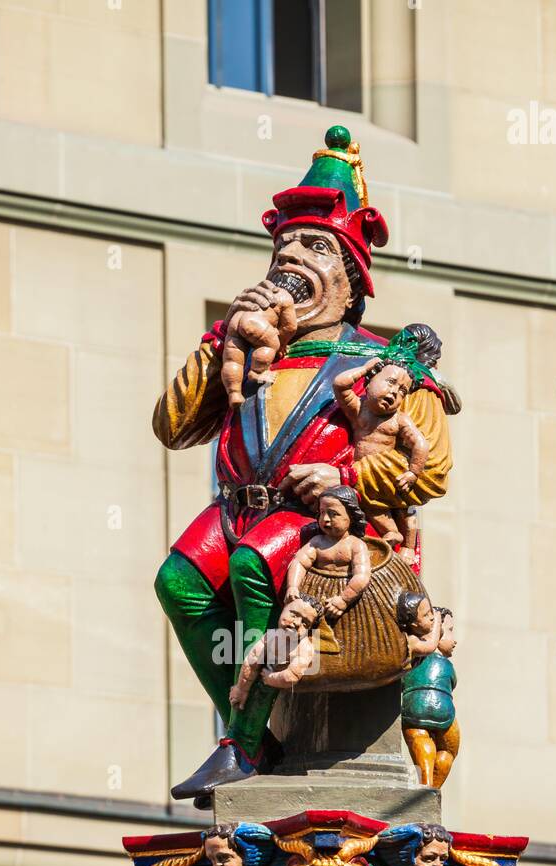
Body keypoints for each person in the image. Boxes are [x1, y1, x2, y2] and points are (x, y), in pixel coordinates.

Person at [153, 126, 456, 802]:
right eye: (284, 247)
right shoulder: (247, 347)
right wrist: (219, 339)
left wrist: (347, 478)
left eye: (316, 247)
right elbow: (171, 428)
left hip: (320, 525)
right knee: (177, 580)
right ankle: (253, 732)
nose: (291, 259)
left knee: (253, 565)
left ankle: (240, 738)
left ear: (351, 281)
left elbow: (430, 469)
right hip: (237, 508)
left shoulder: (381, 367)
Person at [333, 357, 429, 560]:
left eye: (403, 391)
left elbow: (420, 444)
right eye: (391, 382)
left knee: (406, 513)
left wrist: (413, 472)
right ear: (369, 381)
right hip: (365, 480)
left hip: (389, 478)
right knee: (370, 507)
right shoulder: (358, 410)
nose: (395, 392)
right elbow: (340, 384)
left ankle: (409, 548)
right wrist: (366, 367)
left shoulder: (399, 420)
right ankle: (391, 532)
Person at [285, 487, 371, 621]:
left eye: (333, 514)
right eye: (322, 512)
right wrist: (293, 587)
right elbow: (299, 562)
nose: (325, 519)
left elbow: (362, 576)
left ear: (351, 516)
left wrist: (344, 599)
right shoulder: (317, 542)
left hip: (345, 598)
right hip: (315, 596)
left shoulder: (356, 545)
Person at [400, 604, 460, 788]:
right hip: (445, 711)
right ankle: (431, 788)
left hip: (414, 707)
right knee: (449, 750)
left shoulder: (413, 657)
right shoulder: (421, 651)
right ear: (438, 630)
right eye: (450, 631)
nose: (454, 640)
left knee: (420, 740)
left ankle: (427, 786)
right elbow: (452, 682)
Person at [229, 595, 324, 709]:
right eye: (293, 615)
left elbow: (291, 676)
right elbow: (251, 662)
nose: (298, 623)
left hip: (289, 697)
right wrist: (241, 688)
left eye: (305, 623)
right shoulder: (270, 637)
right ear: (283, 608)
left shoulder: (304, 649)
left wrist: (270, 678)